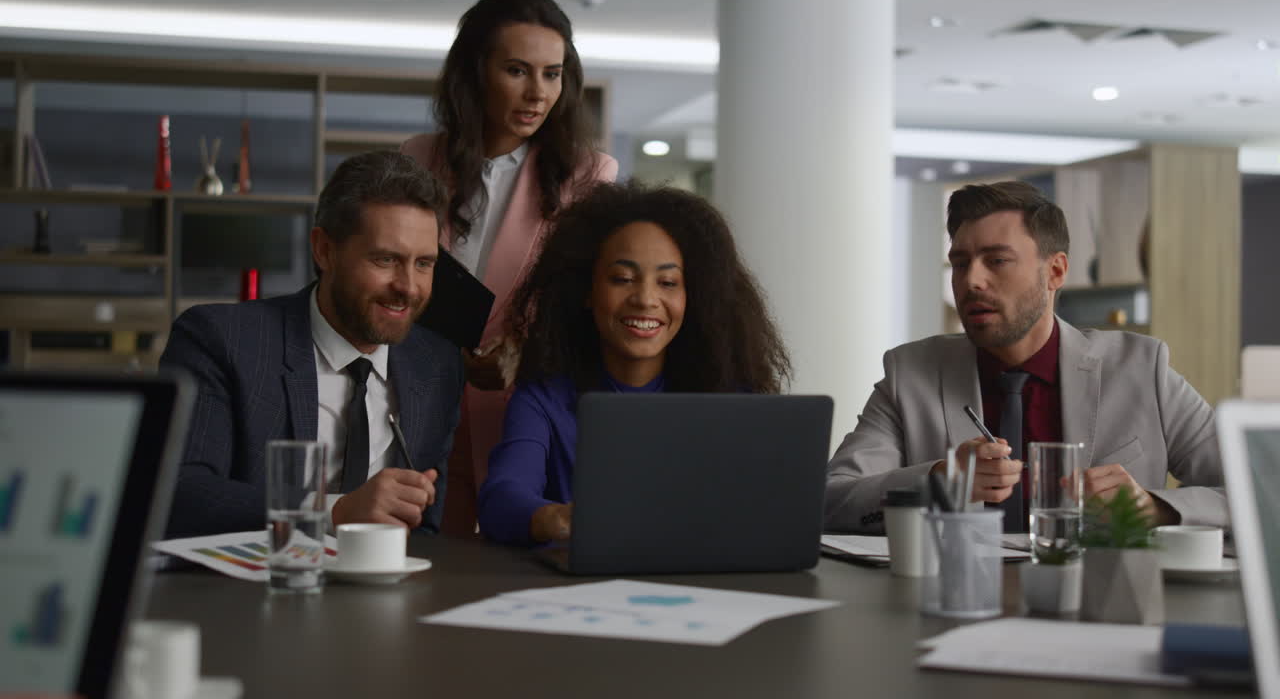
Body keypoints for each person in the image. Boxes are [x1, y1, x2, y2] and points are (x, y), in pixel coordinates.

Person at [824, 180, 1226, 534]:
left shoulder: (1141, 368)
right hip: (953, 591)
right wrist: (937, 482)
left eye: (997, 261)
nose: (971, 281)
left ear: (1055, 272)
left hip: (1099, 592)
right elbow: (831, 500)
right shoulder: (910, 374)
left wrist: (1154, 507)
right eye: (960, 263)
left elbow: (1251, 491)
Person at [401, 0, 617, 534]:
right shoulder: (417, 159)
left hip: (521, 408)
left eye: (552, 73)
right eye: (517, 71)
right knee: (421, 558)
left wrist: (523, 350)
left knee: (510, 560)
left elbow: (589, 305)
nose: (538, 93)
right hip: (418, 395)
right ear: (475, 71)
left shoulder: (589, 177)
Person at [161, 151, 464, 538]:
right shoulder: (221, 340)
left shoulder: (437, 365)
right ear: (324, 250)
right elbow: (180, 493)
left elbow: (425, 528)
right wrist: (331, 512)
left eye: (424, 264)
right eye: (386, 260)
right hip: (257, 575)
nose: (408, 287)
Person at [477, 182, 791, 545]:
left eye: (668, 282)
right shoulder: (544, 398)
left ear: (695, 297)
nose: (645, 299)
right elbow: (502, 496)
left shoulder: (731, 398)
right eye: (622, 279)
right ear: (586, 291)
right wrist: (558, 519)